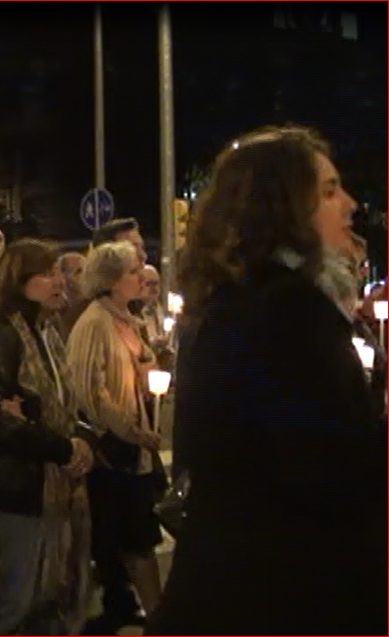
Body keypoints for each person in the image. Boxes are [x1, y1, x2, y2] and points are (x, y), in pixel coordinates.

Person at [149, 126, 386, 635]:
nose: (350, 205)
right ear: (281, 208)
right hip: (276, 594)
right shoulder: (286, 310)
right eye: (327, 190)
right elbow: (324, 469)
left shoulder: (246, 302)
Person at [0, 239, 95, 635]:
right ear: (21, 281)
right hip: (17, 479)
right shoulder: (2, 332)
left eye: (58, 272)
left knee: (42, 597)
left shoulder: (45, 331)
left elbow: (62, 401)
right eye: (47, 274)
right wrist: (61, 445)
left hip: (47, 476)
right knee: (11, 600)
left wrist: (79, 438)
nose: (59, 281)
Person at [66, 241, 165, 630]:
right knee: (132, 536)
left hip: (133, 445)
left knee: (133, 534)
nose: (141, 277)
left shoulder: (127, 319)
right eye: (131, 272)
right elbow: (91, 392)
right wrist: (133, 430)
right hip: (113, 448)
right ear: (109, 281)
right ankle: (157, 615)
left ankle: (129, 606)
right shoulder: (95, 323)